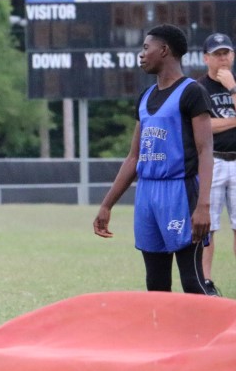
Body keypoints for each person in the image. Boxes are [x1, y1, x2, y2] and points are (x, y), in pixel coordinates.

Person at [94, 24, 213, 294]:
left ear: (164, 50)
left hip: (180, 192)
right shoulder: (145, 97)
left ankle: (220, 322)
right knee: (156, 284)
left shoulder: (192, 92)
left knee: (193, 282)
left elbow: (205, 151)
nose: (141, 54)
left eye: (146, 47)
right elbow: (133, 157)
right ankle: (162, 326)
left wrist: (204, 205)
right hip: (147, 194)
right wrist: (106, 205)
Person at [197, 32, 236, 297]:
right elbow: (203, 126)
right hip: (213, 161)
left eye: (226, 53)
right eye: (217, 54)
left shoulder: (235, 83)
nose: (222, 58)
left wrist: (232, 88)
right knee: (207, 227)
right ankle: (206, 283)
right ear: (206, 58)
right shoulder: (198, 88)